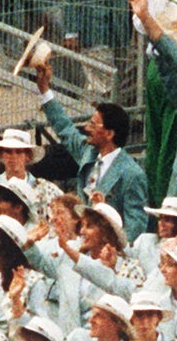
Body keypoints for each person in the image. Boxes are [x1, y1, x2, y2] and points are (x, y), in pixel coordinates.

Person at [34, 56, 148, 242]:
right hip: (80, 243)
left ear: (109, 134)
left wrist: (114, 254)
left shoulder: (132, 174)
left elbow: (135, 226)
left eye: (93, 125)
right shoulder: (89, 153)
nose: (87, 128)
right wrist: (44, 90)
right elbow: (65, 128)